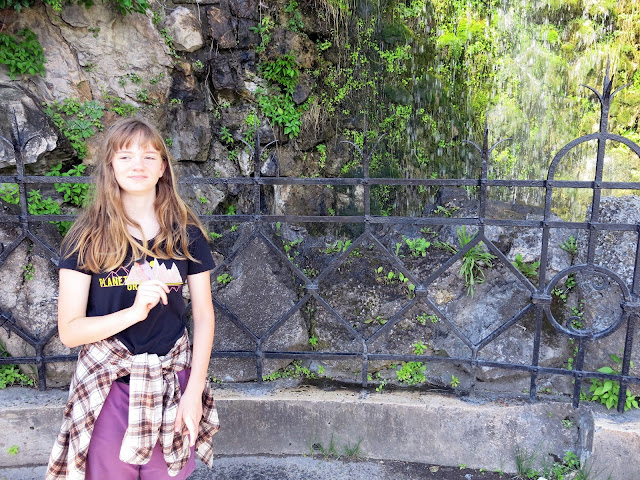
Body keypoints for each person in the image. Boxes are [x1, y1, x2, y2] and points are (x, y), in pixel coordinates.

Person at [46, 118, 220, 480]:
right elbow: (70, 331)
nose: (137, 165)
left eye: (148, 156)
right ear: (110, 166)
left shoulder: (185, 234)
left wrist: (193, 393)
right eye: (125, 156)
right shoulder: (86, 238)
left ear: (163, 167)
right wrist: (134, 312)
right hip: (109, 388)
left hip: (172, 384)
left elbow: (204, 315)